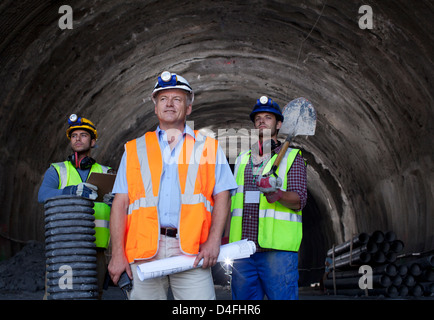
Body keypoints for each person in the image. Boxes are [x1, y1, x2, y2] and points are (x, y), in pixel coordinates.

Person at [108, 71, 237, 300]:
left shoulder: (208, 147)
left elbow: (223, 195)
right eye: (163, 99)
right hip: (144, 251)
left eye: (177, 99)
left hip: (191, 250)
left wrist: (214, 240)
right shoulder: (134, 149)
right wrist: (117, 253)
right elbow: (120, 203)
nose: (169, 104)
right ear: (155, 107)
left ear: (188, 108)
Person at [228, 96, 308, 300]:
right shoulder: (241, 160)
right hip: (243, 251)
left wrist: (278, 194)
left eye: (268, 117)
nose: (262, 121)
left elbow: (300, 200)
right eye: (258, 118)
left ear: (279, 124)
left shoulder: (292, 158)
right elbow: (231, 202)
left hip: (277, 253)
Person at [38, 114, 113, 299]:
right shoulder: (57, 170)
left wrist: (115, 200)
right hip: (64, 246)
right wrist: (71, 191)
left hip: (96, 249)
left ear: (93, 141)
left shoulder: (106, 173)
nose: (78, 139)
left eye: (83, 135)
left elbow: (122, 206)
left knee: (93, 294)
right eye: (74, 136)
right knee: (57, 294)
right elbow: (43, 195)